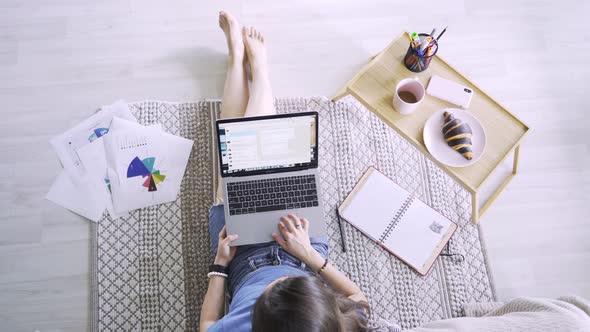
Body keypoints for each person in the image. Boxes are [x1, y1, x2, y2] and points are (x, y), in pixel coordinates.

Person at [199, 11, 370, 332]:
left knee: (238, 159)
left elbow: (208, 324)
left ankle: (244, 63)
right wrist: (309, 257)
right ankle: (249, 66)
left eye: (264, 297)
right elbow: (359, 301)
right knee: (262, 154)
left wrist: (220, 265)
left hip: (240, 256)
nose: (273, 281)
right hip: (303, 248)